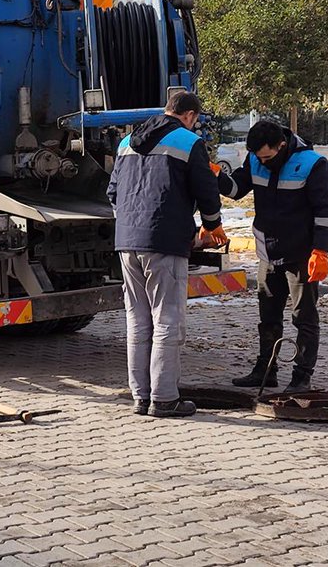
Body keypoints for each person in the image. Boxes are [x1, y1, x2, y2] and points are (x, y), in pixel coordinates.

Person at [107, 90, 227, 418]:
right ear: (189, 116)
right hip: (165, 242)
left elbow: (113, 192)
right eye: (195, 120)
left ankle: (140, 397)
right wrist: (211, 226)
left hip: (127, 241)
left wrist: (132, 224)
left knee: (137, 319)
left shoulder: (126, 142)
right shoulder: (189, 142)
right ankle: (163, 398)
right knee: (167, 319)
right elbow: (207, 191)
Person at [219, 119, 328, 394]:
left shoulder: (312, 165)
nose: (263, 161)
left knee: (303, 317)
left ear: (282, 145)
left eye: (267, 156)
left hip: (301, 254)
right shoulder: (255, 158)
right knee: (268, 316)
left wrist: (321, 251)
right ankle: (265, 371)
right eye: (258, 156)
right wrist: (215, 175)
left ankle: (301, 376)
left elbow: (325, 211)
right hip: (268, 254)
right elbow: (237, 189)